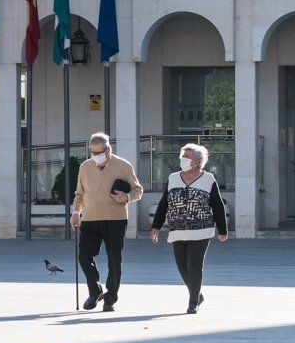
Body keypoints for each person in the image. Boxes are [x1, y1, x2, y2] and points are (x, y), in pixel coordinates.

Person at [150, 144, 228, 314]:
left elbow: (217, 205)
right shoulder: (173, 177)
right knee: (181, 266)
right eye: (182, 157)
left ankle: (193, 302)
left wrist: (223, 230)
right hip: (177, 229)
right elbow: (164, 203)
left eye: (187, 157)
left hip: (202, 229)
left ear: (197, 161)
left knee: (194, 265)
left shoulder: (208, 179)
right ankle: (197, 293)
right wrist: (155, 226)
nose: (182, 160)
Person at [71, 133, 143, 312]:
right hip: (90, 219)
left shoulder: (123, 165)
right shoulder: (85, 167)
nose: (96, 157)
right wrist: (75, 212)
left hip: (115, 220)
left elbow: (138, 190)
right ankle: (95, 291)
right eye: (92, 153)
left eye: (99, 153)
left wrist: (126, 197)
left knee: (114, 259)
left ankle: (110, 298)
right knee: (84, 256)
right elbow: (79, 194)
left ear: (108, 149)